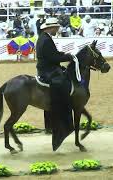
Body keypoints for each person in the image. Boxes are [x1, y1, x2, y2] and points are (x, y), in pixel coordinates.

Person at [35, 17, 74, 150]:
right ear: (50, 28)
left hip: (47, 67)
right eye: (56, 28)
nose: (57, 30)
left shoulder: (45, 38)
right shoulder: (46, 40)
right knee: (62, 83)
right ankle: (61, 118)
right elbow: (53, 58)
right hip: (47, 70)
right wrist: (68, 57)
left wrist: (63, 54)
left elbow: (54, 54)